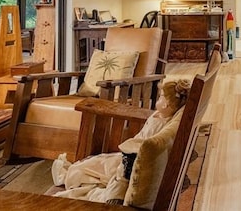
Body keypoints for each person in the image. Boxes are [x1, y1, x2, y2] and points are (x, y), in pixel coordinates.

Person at [52, 78, 191, 204]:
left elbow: (140, 145)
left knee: (81, 168)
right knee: (90, 163)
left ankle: (69, 176)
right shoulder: (162, 117)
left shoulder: (159, 126)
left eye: (160, 97)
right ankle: (72, 175)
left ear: (166, 103)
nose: (158, 100)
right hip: (128, 156)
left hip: (128, 158)